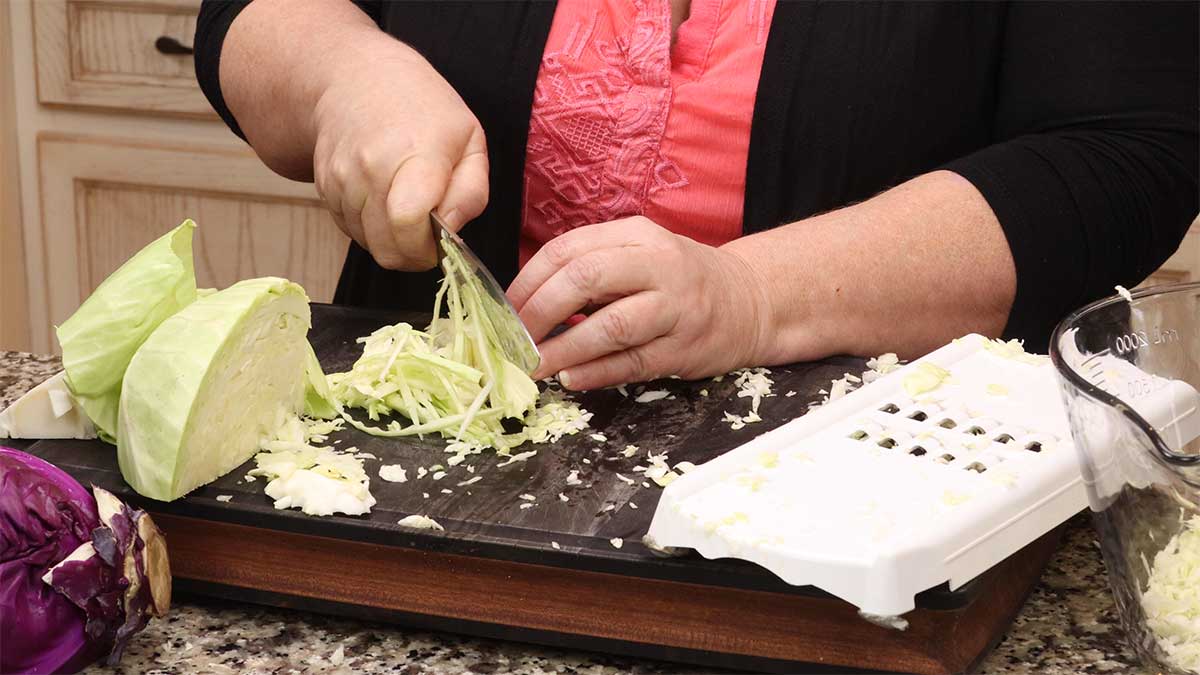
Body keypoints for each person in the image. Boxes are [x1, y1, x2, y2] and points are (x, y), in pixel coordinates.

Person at [195, 0, 1198, 391]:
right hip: (416, 500)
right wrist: (345, 74)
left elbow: (1130, 151)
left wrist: (751, 295)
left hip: (884, 509)